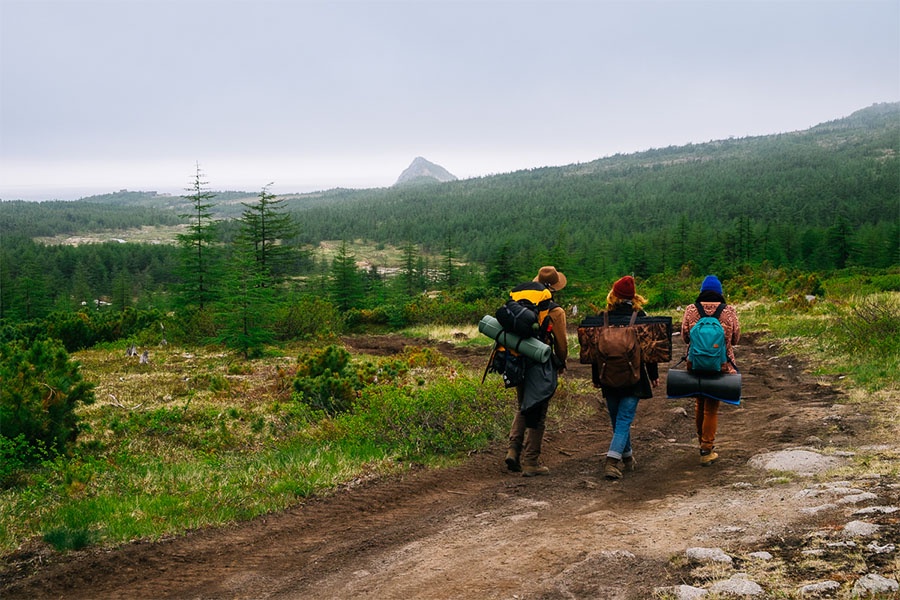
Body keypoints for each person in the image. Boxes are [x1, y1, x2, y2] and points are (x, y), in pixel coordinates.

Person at [593, 275, 660, 480]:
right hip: (634, 377)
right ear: (634, 296)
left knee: (618, 420)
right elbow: (649, 351)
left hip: (608, 376)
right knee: (623, 420)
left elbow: (594, 353)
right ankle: (612, 462)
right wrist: (653, 375)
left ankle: (628, 458)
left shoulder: (603, 318)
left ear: (613, 295)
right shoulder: (640, 317)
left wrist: (596, 377)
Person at [505, 266, 569, 477]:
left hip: (516, 357)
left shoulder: (521, 305)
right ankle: (531, 461)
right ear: (553, 287)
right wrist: (561, 361)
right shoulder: (556, 311)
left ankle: (513, 451)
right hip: (540, 362)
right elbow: (561, 343)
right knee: (538, 409)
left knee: (523, 405)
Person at [680, 275, 741, 466]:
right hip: (720, 366)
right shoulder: (728, 311)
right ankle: (706, 448)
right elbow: (736, 339)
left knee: (699, 402)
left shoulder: (691, 310)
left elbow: (685, 337)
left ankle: (702, 442)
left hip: (695, 364)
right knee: (712, 407)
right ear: (720, 292)